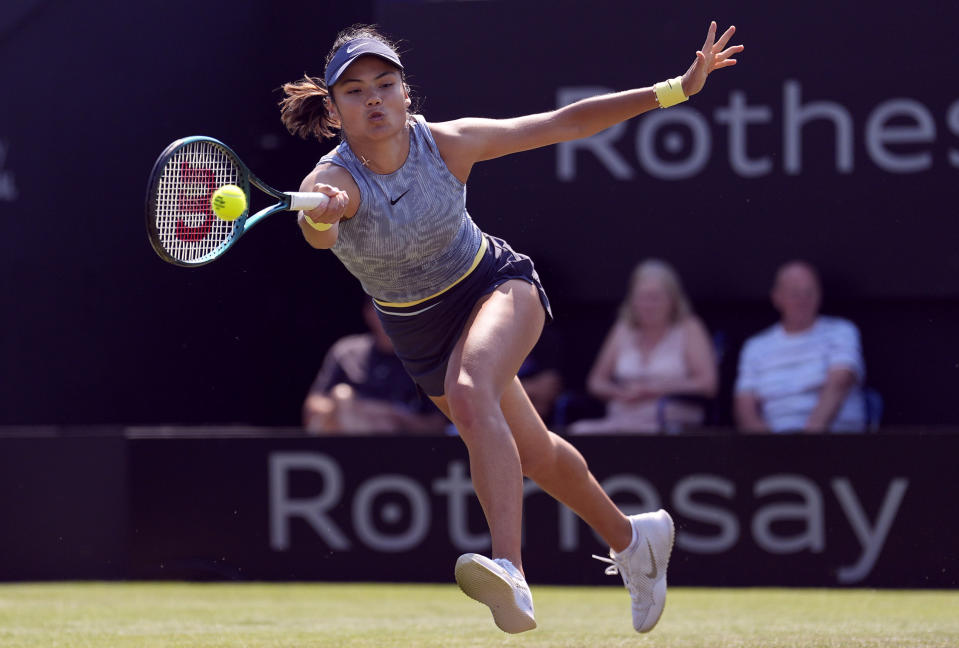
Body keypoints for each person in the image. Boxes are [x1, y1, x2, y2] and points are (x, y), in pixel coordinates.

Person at [278, 21, 743, 634]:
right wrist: (325, 217)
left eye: (385, 84)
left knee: (473, 394)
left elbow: (564, 123)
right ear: (335, 111)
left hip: (495, 286)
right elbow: (320, 237)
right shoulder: (328, 183)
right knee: (536, 454)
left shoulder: (448, 144)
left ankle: (511, 569)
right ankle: (635, 540)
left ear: (405, 93)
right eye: (356, 91)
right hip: (420, 333)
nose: (374, 99)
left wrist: (675, 90)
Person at [569, 259, 718, 435]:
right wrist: (620, 393)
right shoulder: (623, 329)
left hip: (670, 420)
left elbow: (708, 383)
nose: (648, 305)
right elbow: (596, 382)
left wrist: (654, 390)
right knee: (578, 432)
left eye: (655, 298)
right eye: (642, 298)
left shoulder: (689, 327)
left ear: (673, 300)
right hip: (622, 417)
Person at [734, 260, 866, 433]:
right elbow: (744, 405)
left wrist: (808, 439)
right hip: (774, 445)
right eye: (795, 293)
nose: (803, 300)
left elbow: (839, 382)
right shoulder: (755, 346)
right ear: (776, 297)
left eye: (809, 292)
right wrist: (767, 446)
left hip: (834, 440)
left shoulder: (841, 331)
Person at [302, 300, 447, 434]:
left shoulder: (425, 358)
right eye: (381, 306)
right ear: (368, 312)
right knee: (342, 394)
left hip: (399, 446)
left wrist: (392, 414)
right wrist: (357, 409)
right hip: (342, 439)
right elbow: (312, 409)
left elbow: (439, 423)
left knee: (385, 425)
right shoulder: (346, 351)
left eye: (397, 307)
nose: (389, 314)